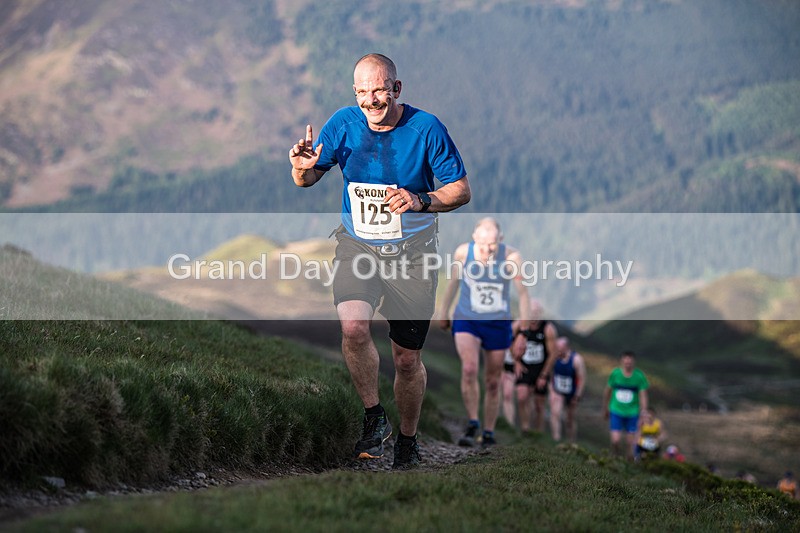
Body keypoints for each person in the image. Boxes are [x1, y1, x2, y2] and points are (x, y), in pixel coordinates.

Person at [289, 53, 471, 469]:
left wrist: (421, 200)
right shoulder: (343, 123)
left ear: (397, 89)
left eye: (380, 90)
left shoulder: (426, 129)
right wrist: (300, 169)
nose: (372, 100)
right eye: (363, 92)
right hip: (359, 247)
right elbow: (309, 177)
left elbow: (460, 191)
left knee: (407, 359)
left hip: (413, 256)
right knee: (353, 328)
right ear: (355, 93)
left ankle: (408, 440)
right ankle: (374, 416)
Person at [437, 217, 530, 447]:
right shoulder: (462, 253)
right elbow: (453, 283)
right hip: (467, 319)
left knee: (492, 381)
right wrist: (444, 311)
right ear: (474, 238)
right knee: (469, 369)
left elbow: (524, 294)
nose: (488, 250)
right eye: (483, 245)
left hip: (498, 324)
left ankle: (488, 431)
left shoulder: (511, 258)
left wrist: (523, 332)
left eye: (493, 245)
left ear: (501, 239)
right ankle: (472, 422)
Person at [512, 300, 557, 434]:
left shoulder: (548, 329)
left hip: (540, 367)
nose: (532, 317)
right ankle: (525, 428)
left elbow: (553, 354)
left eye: (535, 314)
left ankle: (538, 432)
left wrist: (544, 375)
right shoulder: (518, 325)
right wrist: (516, 362)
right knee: (521, 396)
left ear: (540, 314)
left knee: (539, 404)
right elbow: (508, 342)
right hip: (524, 366)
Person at [603, 351, 649, 460]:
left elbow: (643, 395)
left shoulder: (639, 376)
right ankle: (615, 457)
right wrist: (605, 407)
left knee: (630, 443)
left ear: (633, 362)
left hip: (632, 412)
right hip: (616, 410)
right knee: (615, 440)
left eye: (630, 361)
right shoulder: (615, 374)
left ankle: (629, 463)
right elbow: (607, 391)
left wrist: (644, 412)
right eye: (625, 361)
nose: (628, 363)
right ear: (622, 361)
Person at [548, 336, 586, 443]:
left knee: (570, 419)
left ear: (566, 347)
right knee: (555, 413)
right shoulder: (554, 357)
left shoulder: (576, 359)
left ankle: (571, 442)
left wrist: (577, 395)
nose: (558, 350)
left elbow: (582, 378)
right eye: (556, 348)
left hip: (572, 392)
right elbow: (549, 372)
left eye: (560, 348)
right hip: (557, 390)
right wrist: (551, 389)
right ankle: (556, 439)